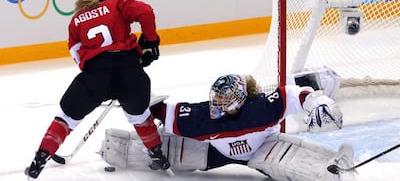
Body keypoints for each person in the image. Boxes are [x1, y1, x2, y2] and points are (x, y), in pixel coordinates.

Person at [25, 0, 170, 179]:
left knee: (67, 117)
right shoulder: (117, 4)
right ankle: (158, 154)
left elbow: (77, 55)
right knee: (139, 115)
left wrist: (99, 74)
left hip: (96, 76)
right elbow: (146, 11)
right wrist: (150, 42)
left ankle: (40, 157)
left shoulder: (75, 21)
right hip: (129, 72)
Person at [99, 72, 357, 181]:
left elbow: (295, 95)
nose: (217, 103)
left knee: (300, 168)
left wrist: (316, 100)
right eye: (216, 97)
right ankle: (116, 148)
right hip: (215, 151)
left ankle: (339, 167)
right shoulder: (202, 117)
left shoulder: (262, 108)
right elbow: (161, 112)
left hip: (262, 147)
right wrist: (133, 100)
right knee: (167, 150)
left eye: (224, 99)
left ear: (240, 99)